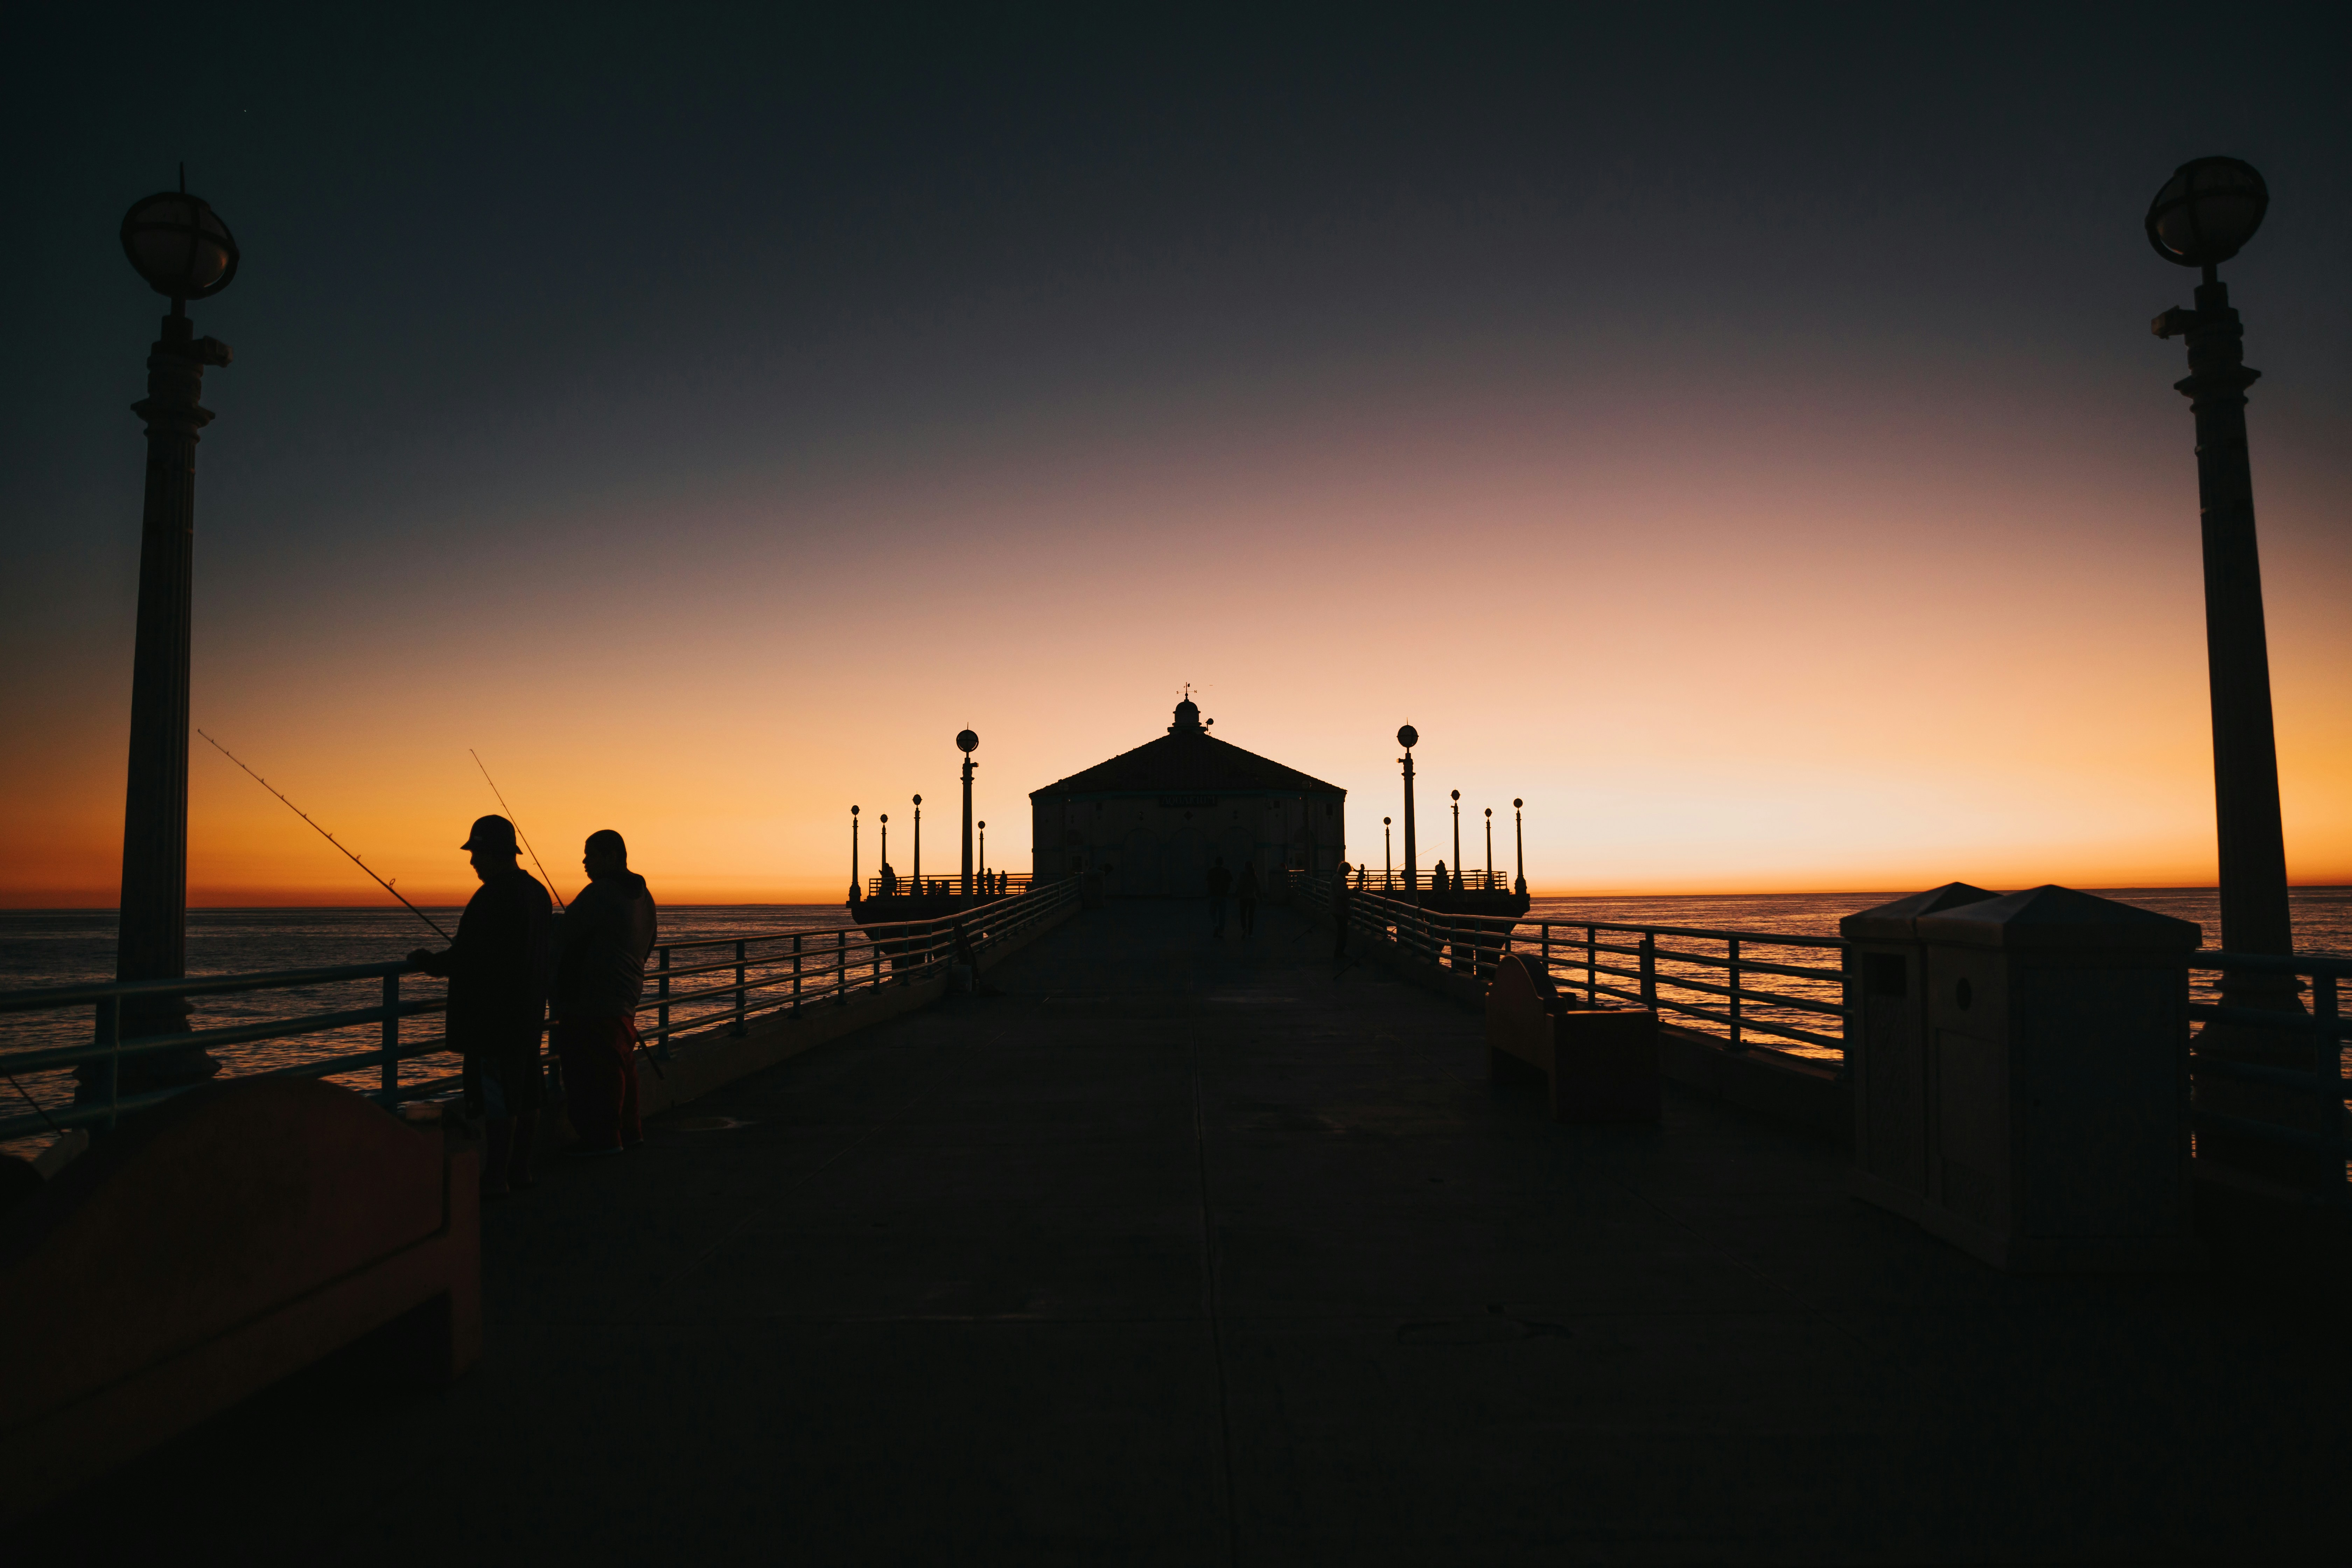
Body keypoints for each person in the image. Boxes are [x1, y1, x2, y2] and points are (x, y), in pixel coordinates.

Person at [409, 816, 553, 1199]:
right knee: (527, 1095)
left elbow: (469, 957)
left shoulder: (491, 897)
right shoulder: (538, 893)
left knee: (497, 1099)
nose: (472, 862)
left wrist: (430, 962)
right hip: (528, 1015)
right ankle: (520, 1170)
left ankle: (495, 1177)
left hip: (493, 1020)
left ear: (493, 853)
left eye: (476, 854)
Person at [551, 829, 658, 1154]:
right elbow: (649, 943)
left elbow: (564, 931)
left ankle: (603, 1140)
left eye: (591, 855)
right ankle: (629, 1132)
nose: (584, 862)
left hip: (591, 1000)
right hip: (627, 995)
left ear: (612, 856)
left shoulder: (601, 893)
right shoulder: (644, 896)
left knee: (592, 1074)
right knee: (621, 1065)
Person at [1330, 860, 1354, 968]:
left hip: (1338, 909)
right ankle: (1339, 953)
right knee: (1343, 933)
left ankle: (1339, 952)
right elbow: (1343, 895)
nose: (1348, 874)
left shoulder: (1337, 879)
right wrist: (1353, 892)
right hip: (1340, 910)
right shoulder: (1339, 880)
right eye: (1348, 872)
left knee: (1342, 932)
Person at [1206, 856, 1232, 937]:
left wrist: (1210, 892)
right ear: (1223, 863)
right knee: (1222, 914)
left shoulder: (1211, 871)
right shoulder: (1226, 872)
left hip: (1214, 895)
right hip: (1223, 895)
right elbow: (1229, 884)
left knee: (1212, 912)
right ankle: (1221, 931)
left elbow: (1209, 884)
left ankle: (1215, 925)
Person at [1236, 860, 1260, 938]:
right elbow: (1258, 887)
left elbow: (1240, 886)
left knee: (1243, 915)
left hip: (1244, 898)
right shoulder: (1254, 875)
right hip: (1253, 898)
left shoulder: (1242, 875)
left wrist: (1237, 894)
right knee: (1251, 916)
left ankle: (1244, 929)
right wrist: (1261, 897)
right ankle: (1251, 933)